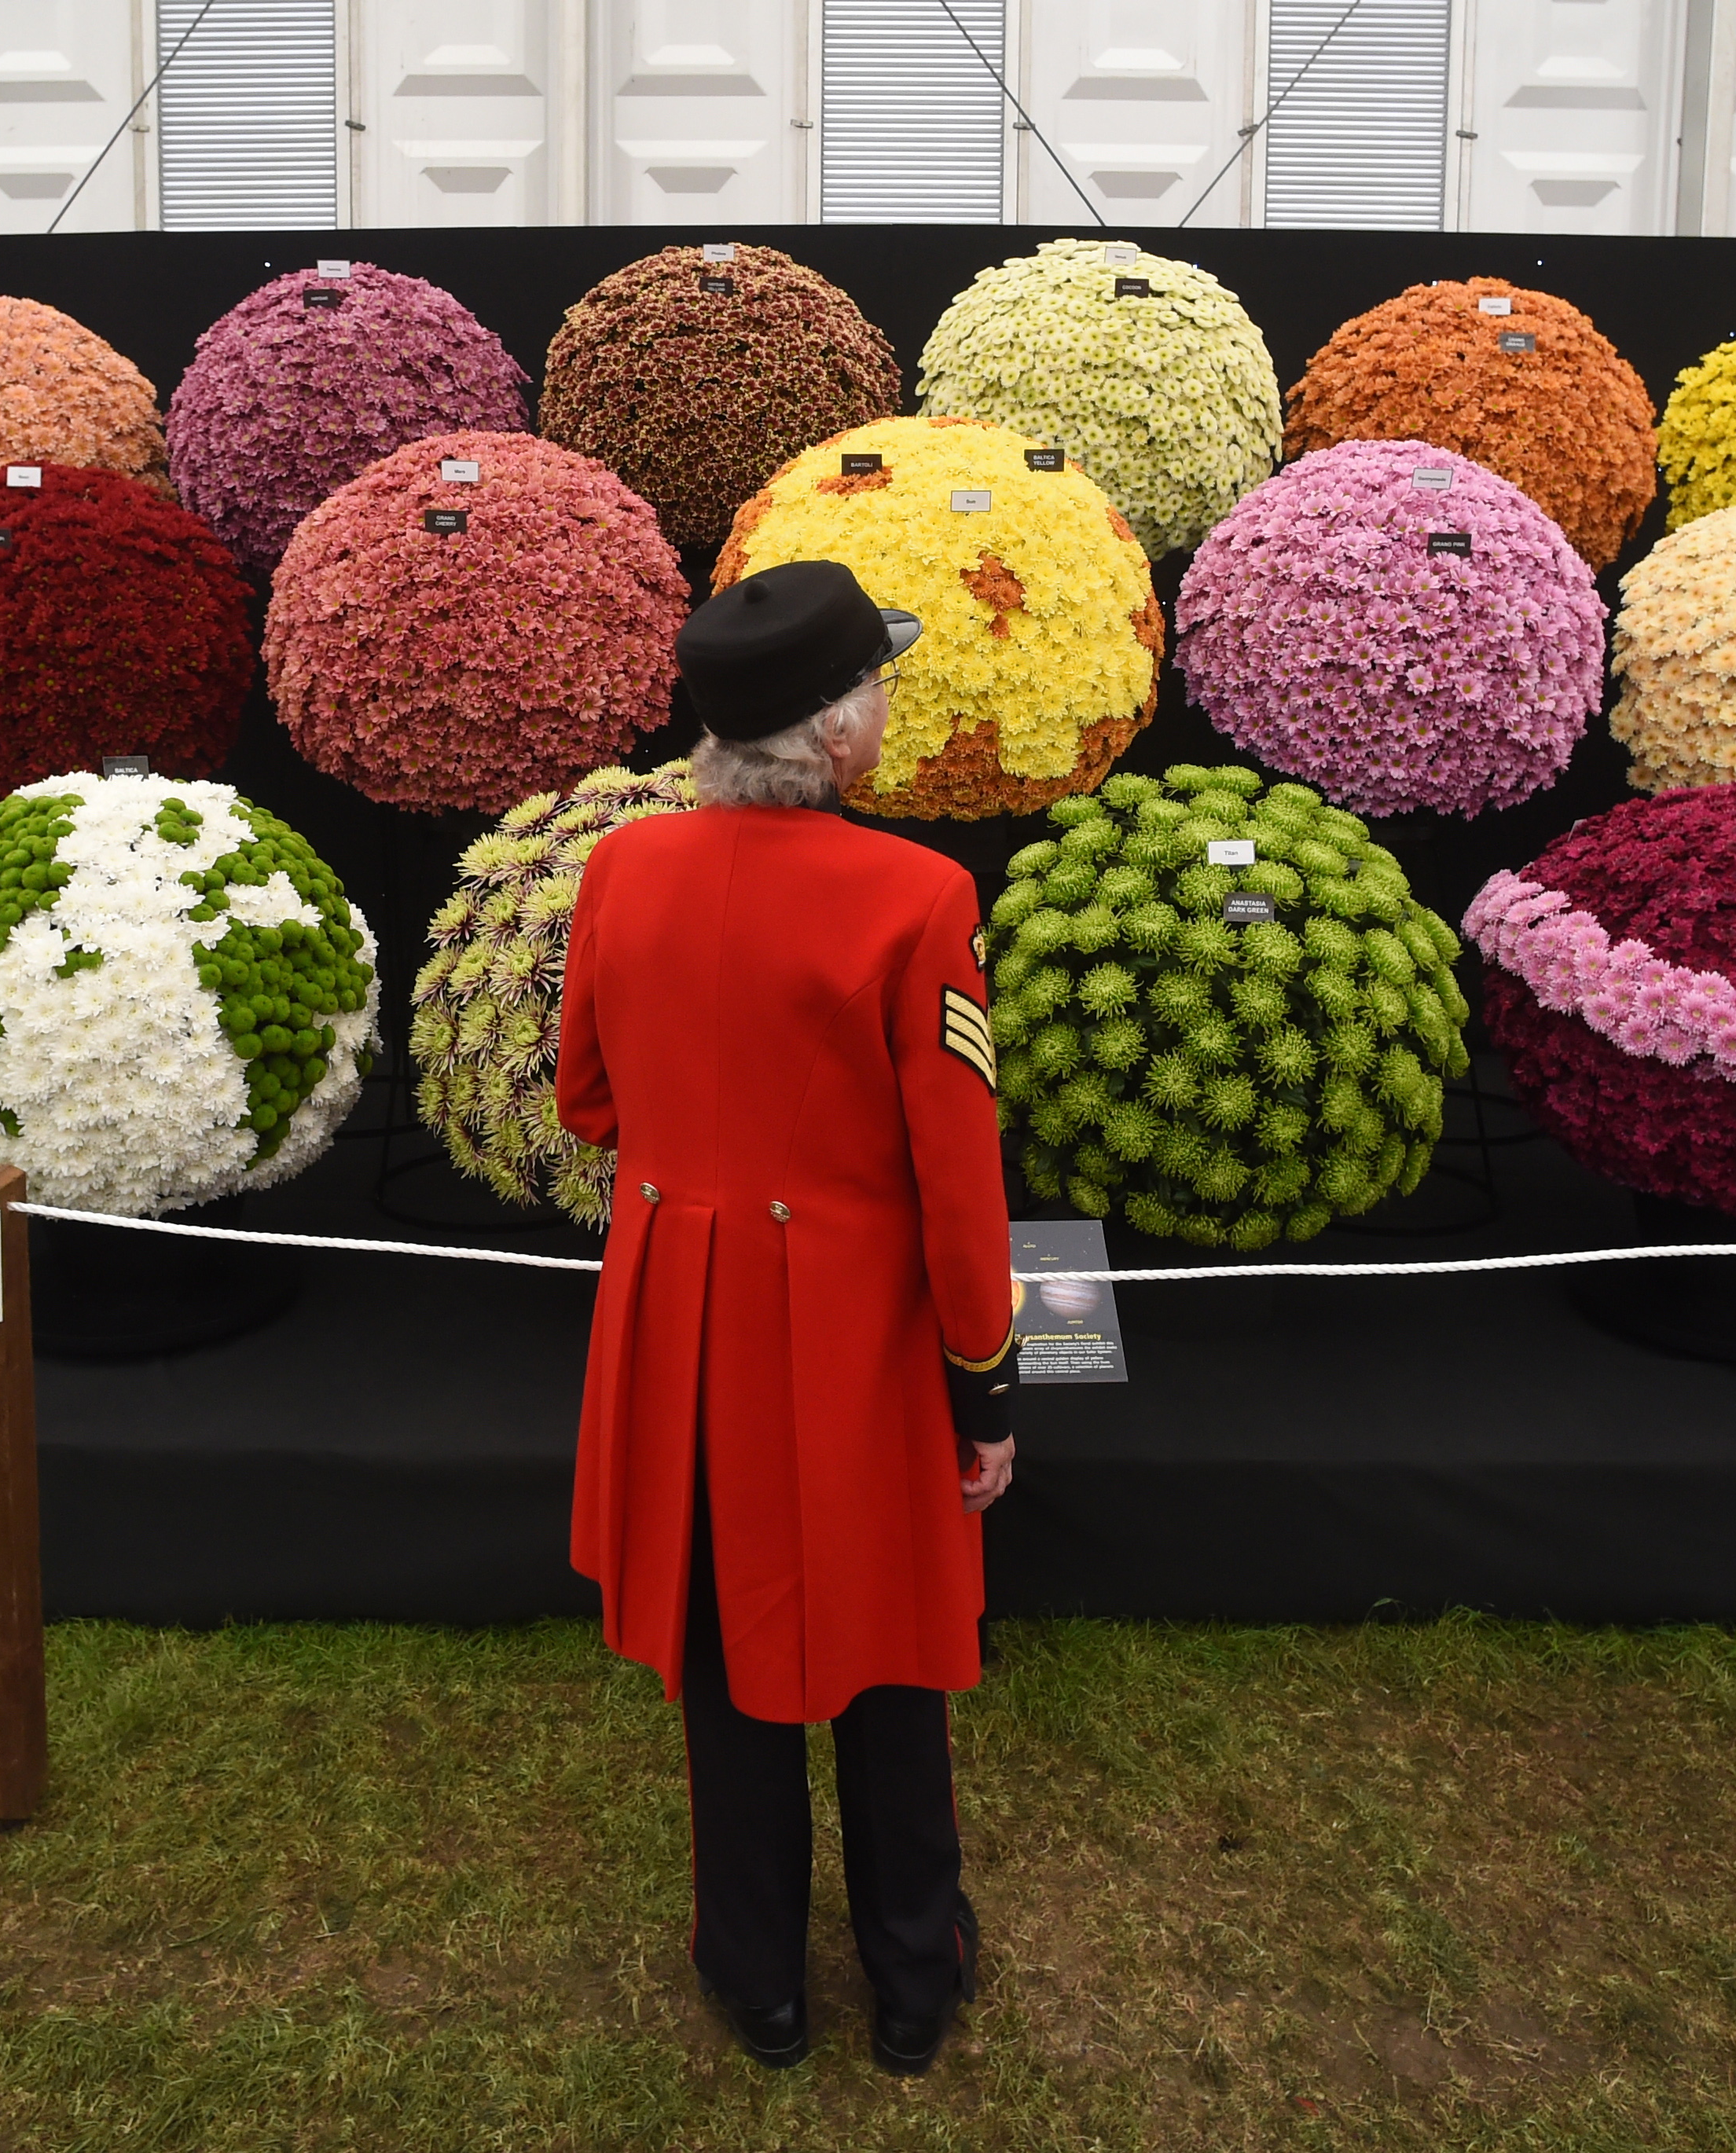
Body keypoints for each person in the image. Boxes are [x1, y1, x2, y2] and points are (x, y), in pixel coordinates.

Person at [555, 558, 1019, 2076]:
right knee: (885, 1647)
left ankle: (754, 1976)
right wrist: (988, 1392)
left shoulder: (621, 871)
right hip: (856, 1342)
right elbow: (960, 1187)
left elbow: (587, 1100)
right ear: (831, 731)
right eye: (874, 686)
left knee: (722, 1651)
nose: (886, 708)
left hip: (680, 1319)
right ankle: (911, 1973)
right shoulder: (919, 895)